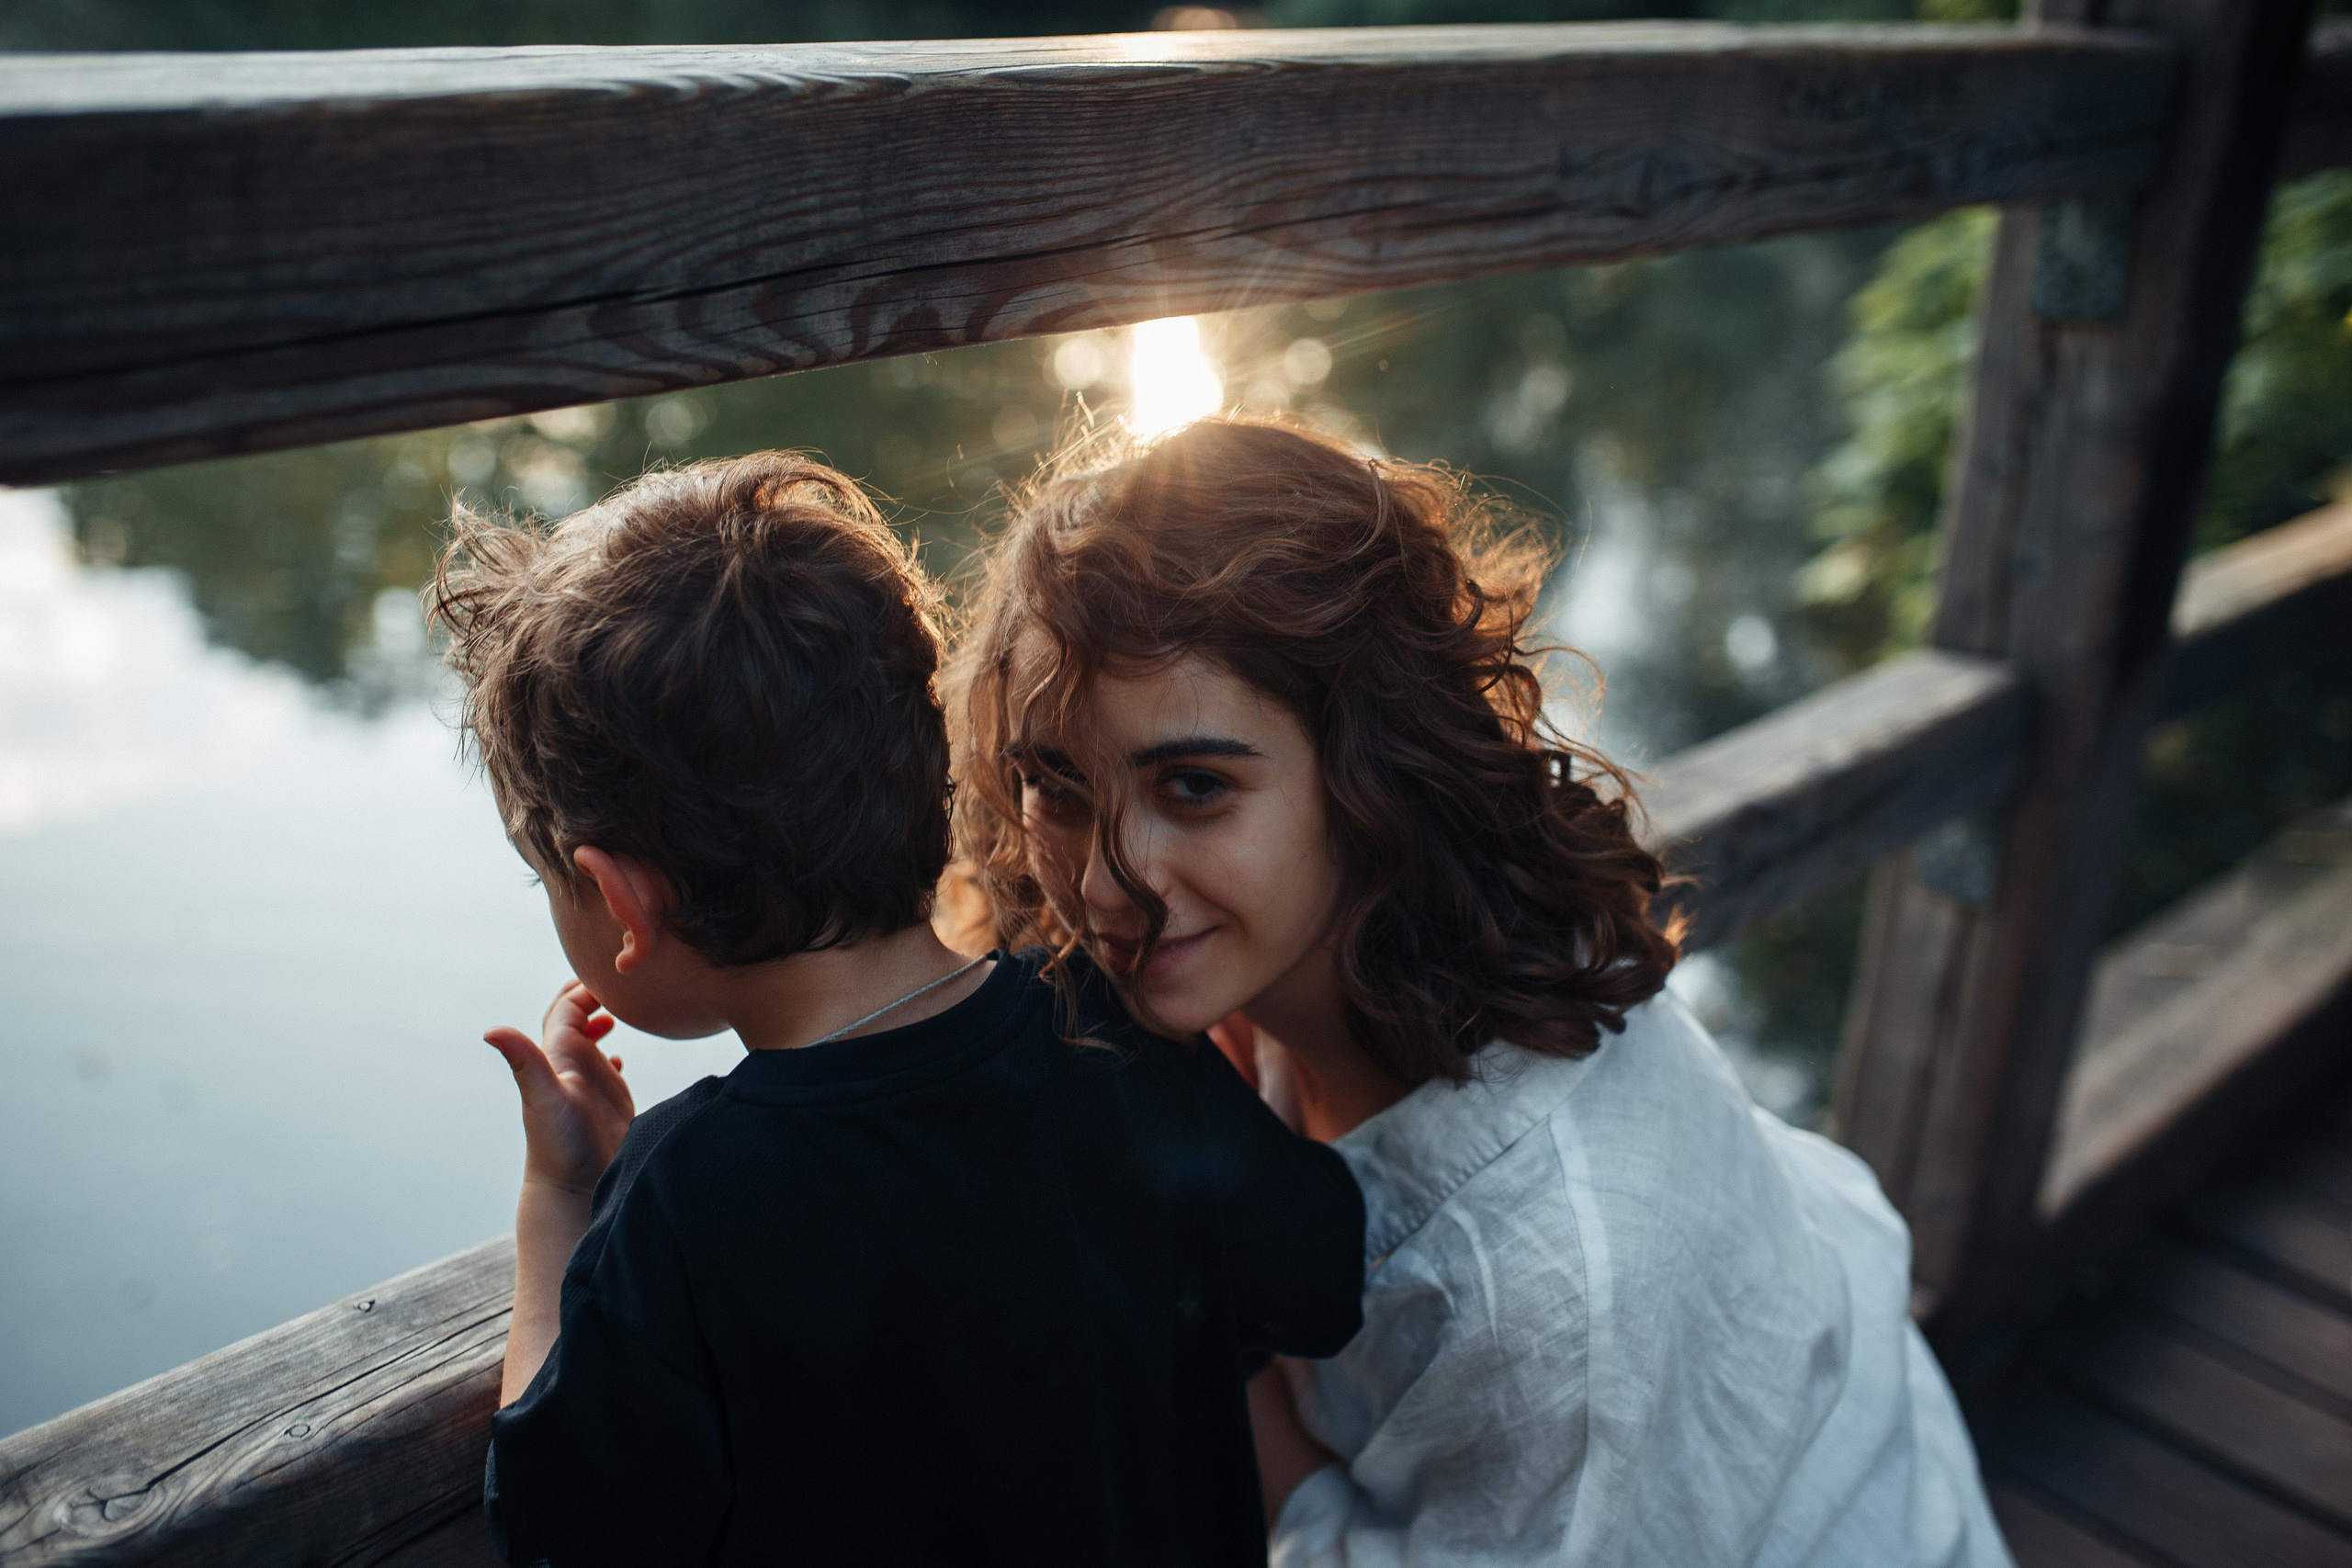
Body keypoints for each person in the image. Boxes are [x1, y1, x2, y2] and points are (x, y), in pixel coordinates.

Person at [952, 416, 2013, 1567]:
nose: (1104, 884)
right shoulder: (1367, 958)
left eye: (1195, 786)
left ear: (1371, 766)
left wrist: (1214, 1350)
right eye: (1056, 785)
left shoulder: (1548, 1284)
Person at [424, 452, 1364, 1568]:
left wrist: (558, 1203)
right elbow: (1318, 1280)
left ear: (623, 904)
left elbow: (561, 1526)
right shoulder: (1113, 1035)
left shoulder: (685, 1197)